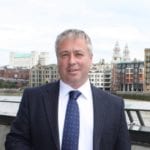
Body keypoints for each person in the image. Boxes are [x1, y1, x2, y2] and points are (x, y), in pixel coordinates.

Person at [5, 29, 131, 150]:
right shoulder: (33, 98)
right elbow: (15, 141)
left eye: (78, 54)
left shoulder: (114, 105)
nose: (72, 61)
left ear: (91, 59)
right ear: (58, 60)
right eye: (64, 55)